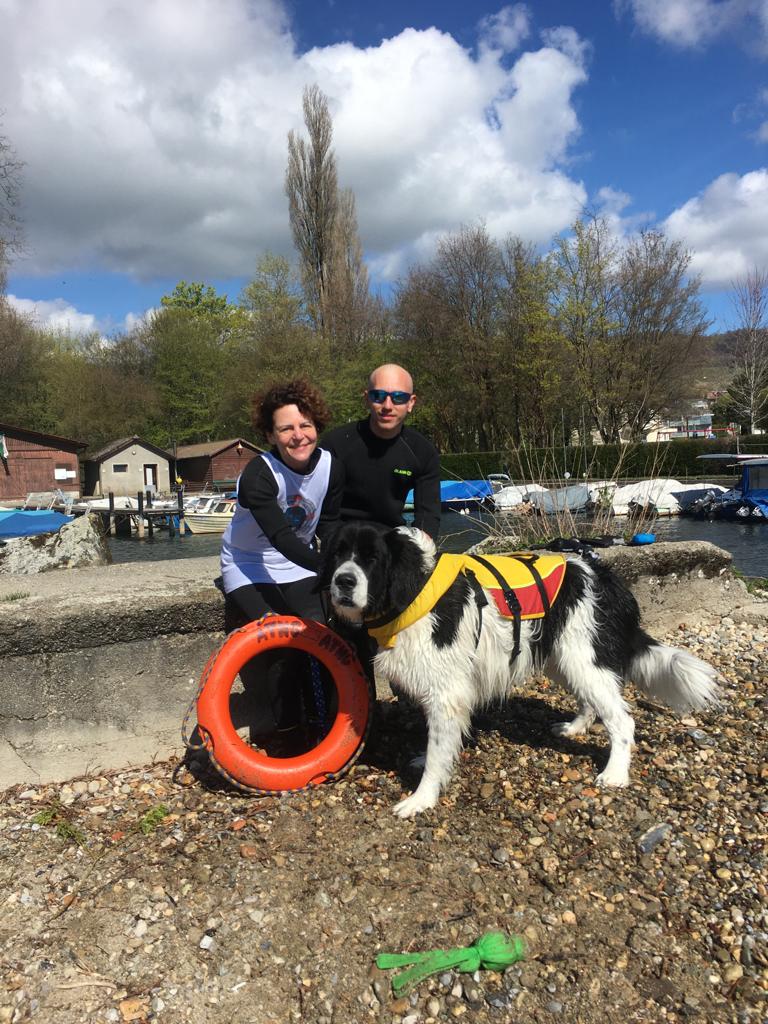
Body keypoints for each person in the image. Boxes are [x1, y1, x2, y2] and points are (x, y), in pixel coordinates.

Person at [220, 379, 343, 747]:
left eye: (305, 425)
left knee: (325, 635)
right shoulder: (259, 474)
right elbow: (283, 539)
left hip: (298, 564)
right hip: (248, 564)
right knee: (280, 644)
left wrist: (340, 559)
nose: (298, 435)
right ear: (271, 435)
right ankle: (287, 735)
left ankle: (331, 725)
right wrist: (328, 567)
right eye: (286, 428)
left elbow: (330, 525)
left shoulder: (331, 466)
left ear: (317, 426)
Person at [321, 363, 441, 538]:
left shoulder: (423, 452)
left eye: (398, 397)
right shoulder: (336, 443)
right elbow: (323, 513)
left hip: (391, 541)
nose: (387, 405)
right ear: (367, 399)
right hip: (341, 540)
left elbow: (428, 517)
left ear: (411, 402)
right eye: (378, 396)